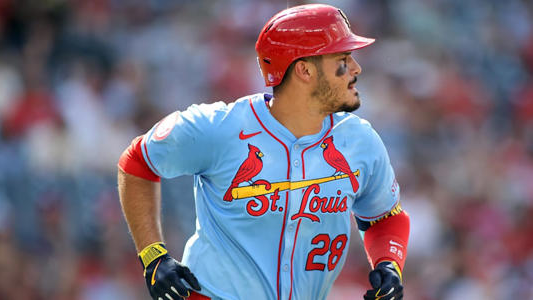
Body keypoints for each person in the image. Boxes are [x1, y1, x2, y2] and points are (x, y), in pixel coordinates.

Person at [117, 4, 410, 300]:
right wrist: (153, 255)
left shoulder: (361, 140)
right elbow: (138, 161)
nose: (356, 69)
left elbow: (385, 216)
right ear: (305, 70)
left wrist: (389, 263)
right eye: (343, 60)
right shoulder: (219, 128)